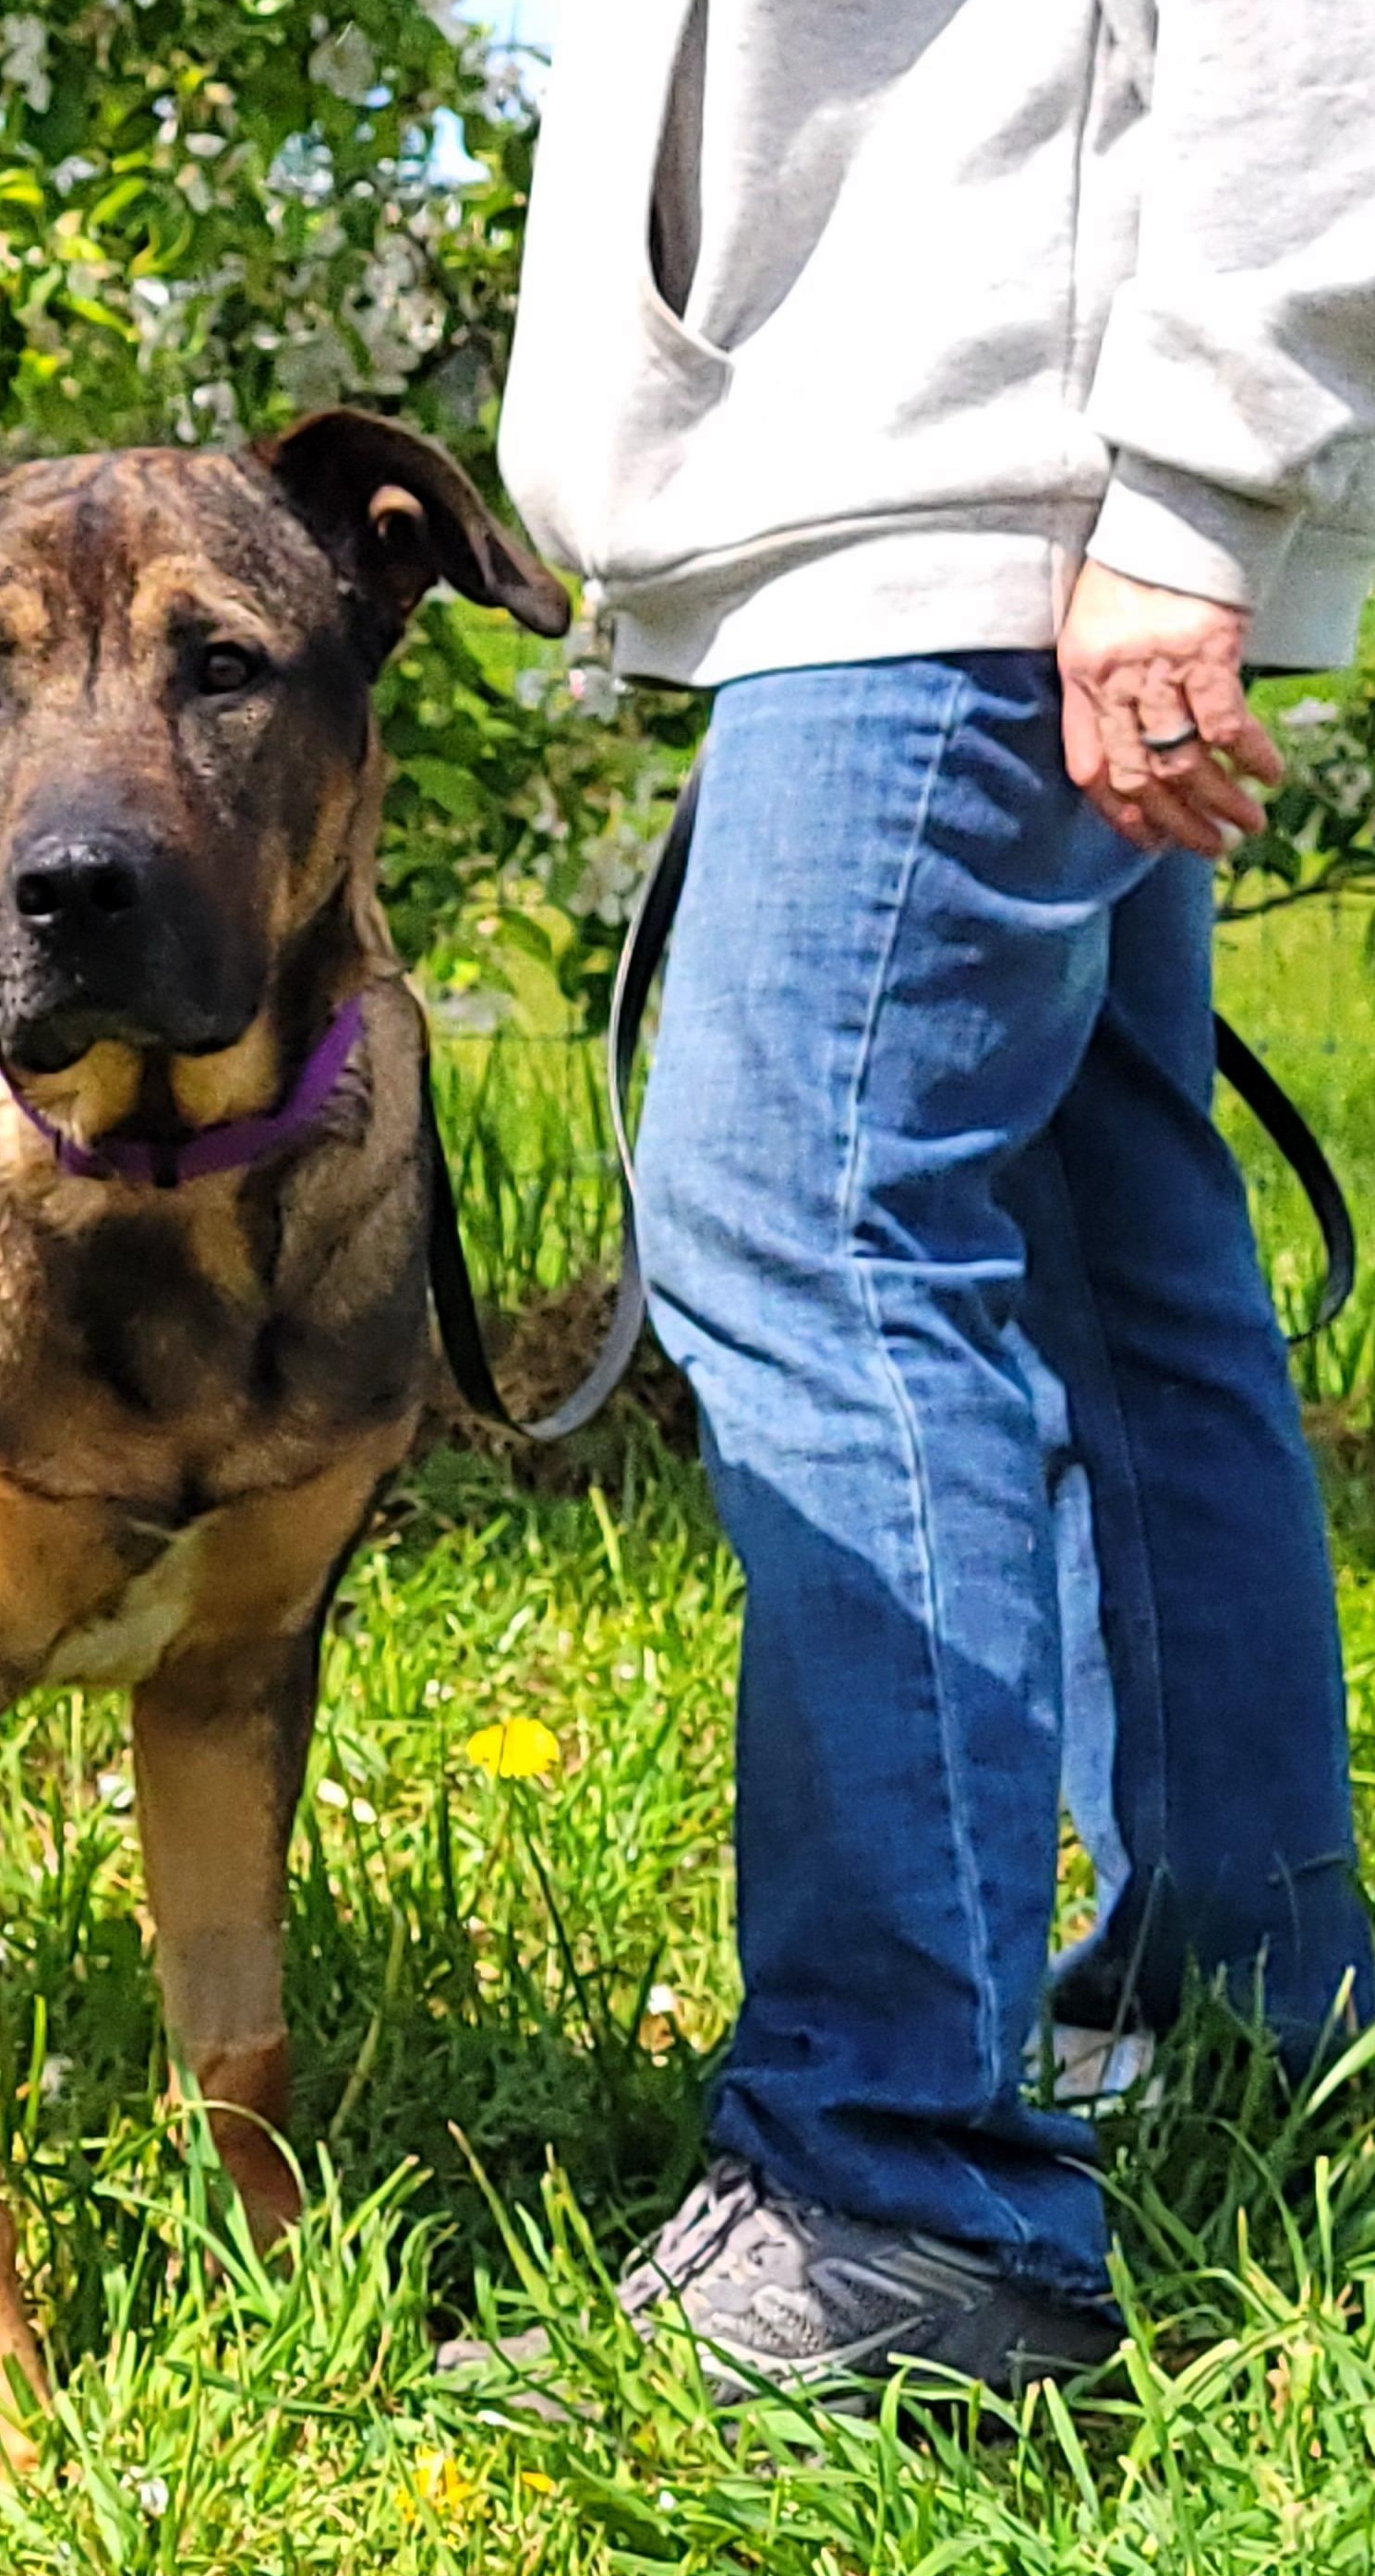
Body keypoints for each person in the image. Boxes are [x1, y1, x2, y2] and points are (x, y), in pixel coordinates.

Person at [472, 0, 1375, 2396]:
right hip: (968, 476)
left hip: (995, 488)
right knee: (1108, 1257)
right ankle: (1247, 2034)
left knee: (800, 1215)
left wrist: (1192, 489)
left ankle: (894, 2193)